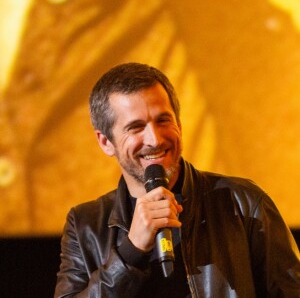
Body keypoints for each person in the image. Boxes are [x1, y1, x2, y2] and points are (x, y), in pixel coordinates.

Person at [54, 62, 300, 297]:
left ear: (179, 124)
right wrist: (131, 251)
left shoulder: (244, 203)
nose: (155, 139)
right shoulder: (85, 225)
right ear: (106, 142)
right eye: (136, 127)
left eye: (163, 120)